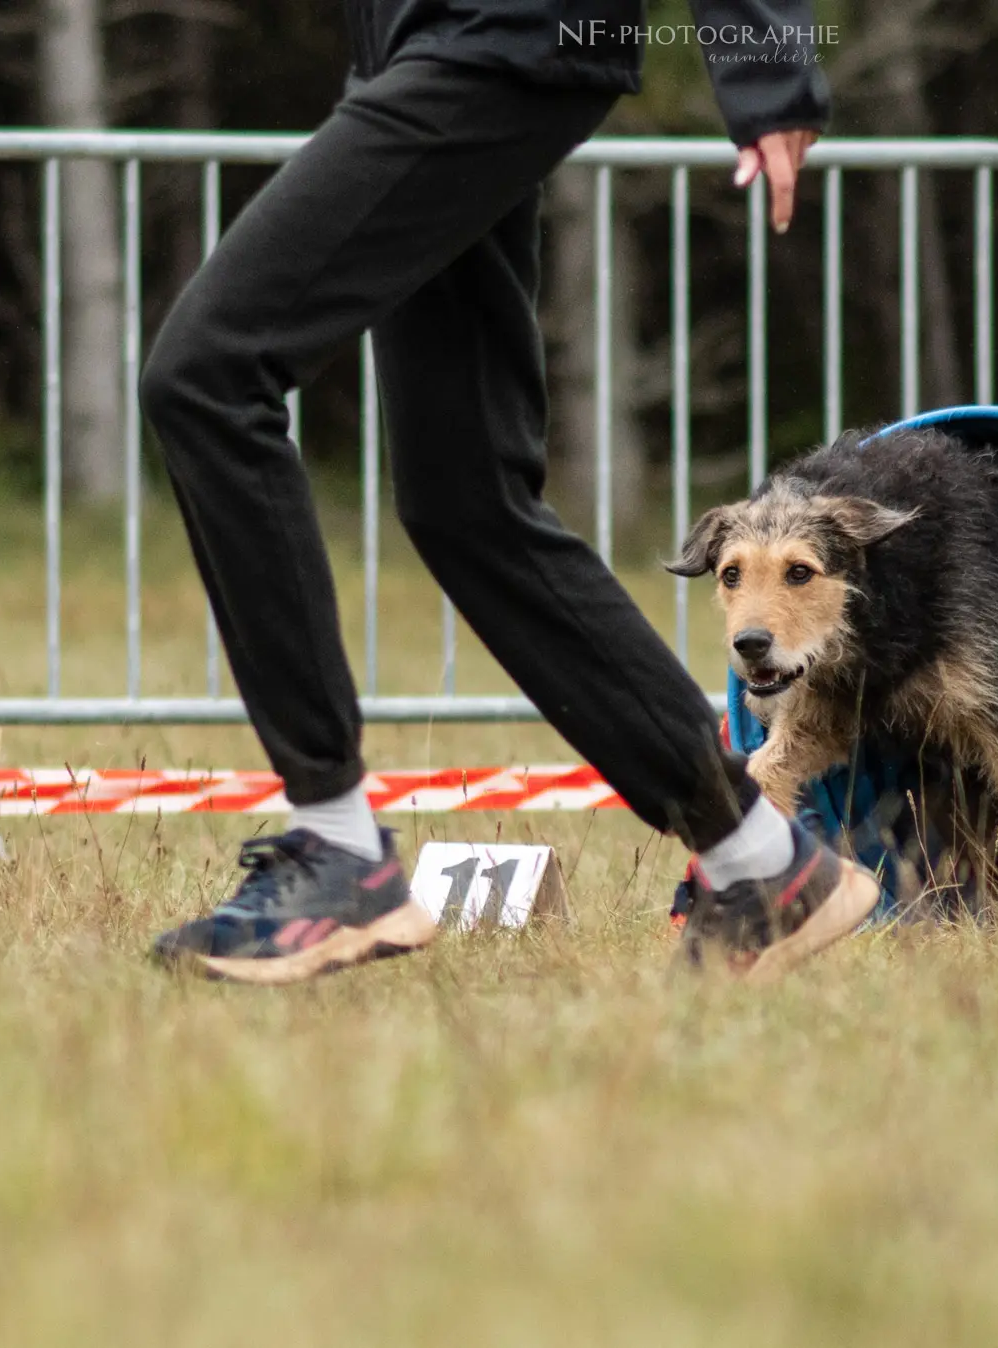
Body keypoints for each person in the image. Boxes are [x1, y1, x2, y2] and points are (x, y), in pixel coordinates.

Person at [141, 0, 882, 983]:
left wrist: (767, 66)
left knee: (206, 373)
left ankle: (338, 849)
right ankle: (762, 866)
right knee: (465, 499)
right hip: (432, 47)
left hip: (503, 37)